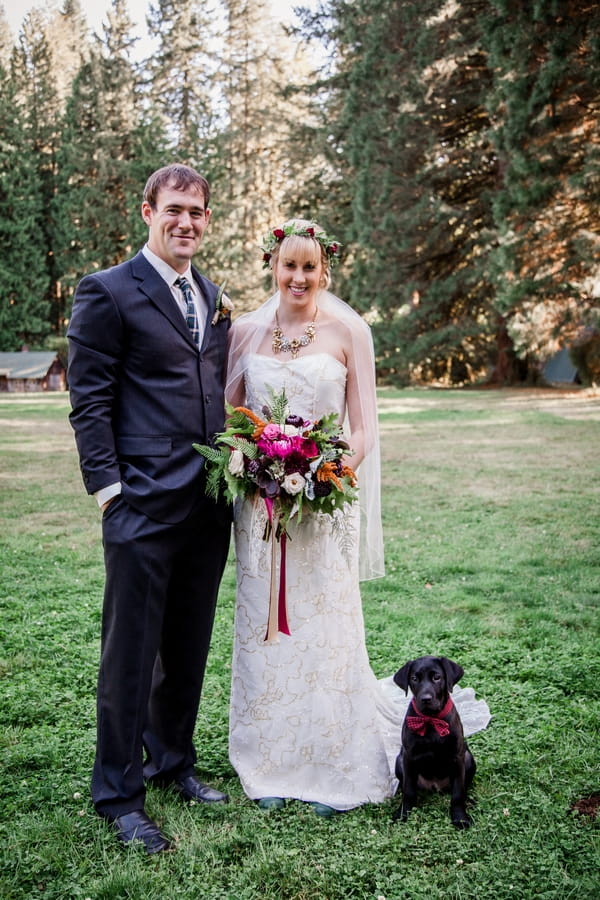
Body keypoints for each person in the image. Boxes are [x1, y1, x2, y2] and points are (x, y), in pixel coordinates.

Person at [225, 219, 490, 816]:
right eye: (288, 265)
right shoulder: (244, 332)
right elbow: (233, 420)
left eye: (309, 267)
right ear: (273, 265)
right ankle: (271, 758)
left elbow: (365, 427)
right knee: (265, 633)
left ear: (325, 270)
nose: (298, 277)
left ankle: (329, 757)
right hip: (264, 515)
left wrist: (329, 472)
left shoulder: (350, 332)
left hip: (323, 505)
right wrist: (256, 467)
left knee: (325, 633)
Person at [67, 164, 233, 853]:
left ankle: (172, 763)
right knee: (129, 657)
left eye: (196, 212)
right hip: (138, 504)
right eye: (174, 210)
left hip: (206, 506)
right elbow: (90, 398)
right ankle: (118, 793)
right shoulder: (107, 291)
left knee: (187, 649)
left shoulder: (214, 296)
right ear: (147, 212)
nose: (185, 222)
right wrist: (109, 490)